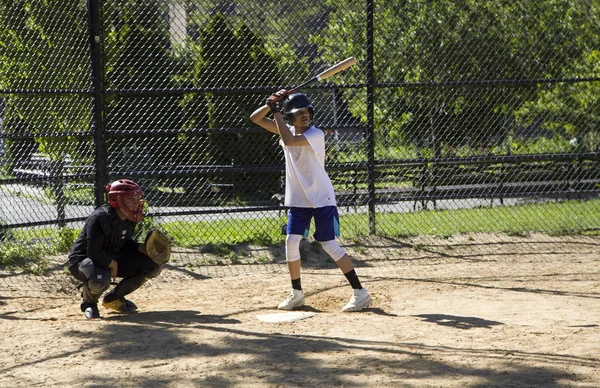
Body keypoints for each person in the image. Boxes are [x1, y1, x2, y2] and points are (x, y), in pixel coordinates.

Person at [250, 90, 373, 312]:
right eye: (299, 113)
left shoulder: (315, 134)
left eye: (306, 111)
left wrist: (277, 110)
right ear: (290, 116)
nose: (304, 115)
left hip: (321, 197)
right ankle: (296, 294)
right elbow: (255, 119)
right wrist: (270, 104)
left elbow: (288, 140)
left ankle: (360, 293)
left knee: (329, 244)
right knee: (291, 241)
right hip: (299, 199)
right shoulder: (285, 128)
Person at [66, 179, 162, 319]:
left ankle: (114, 298)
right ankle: (89, 304)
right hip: (82, 261)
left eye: (137, 199)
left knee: (152, 265)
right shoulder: (100, 218)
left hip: (108, 256)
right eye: (131, 199)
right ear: (117, 201)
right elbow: (93, 252)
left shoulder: (129, 218)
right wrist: (112, 263)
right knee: (101, 275)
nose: (136, 203)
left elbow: (123, 242)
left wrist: (140, 248)